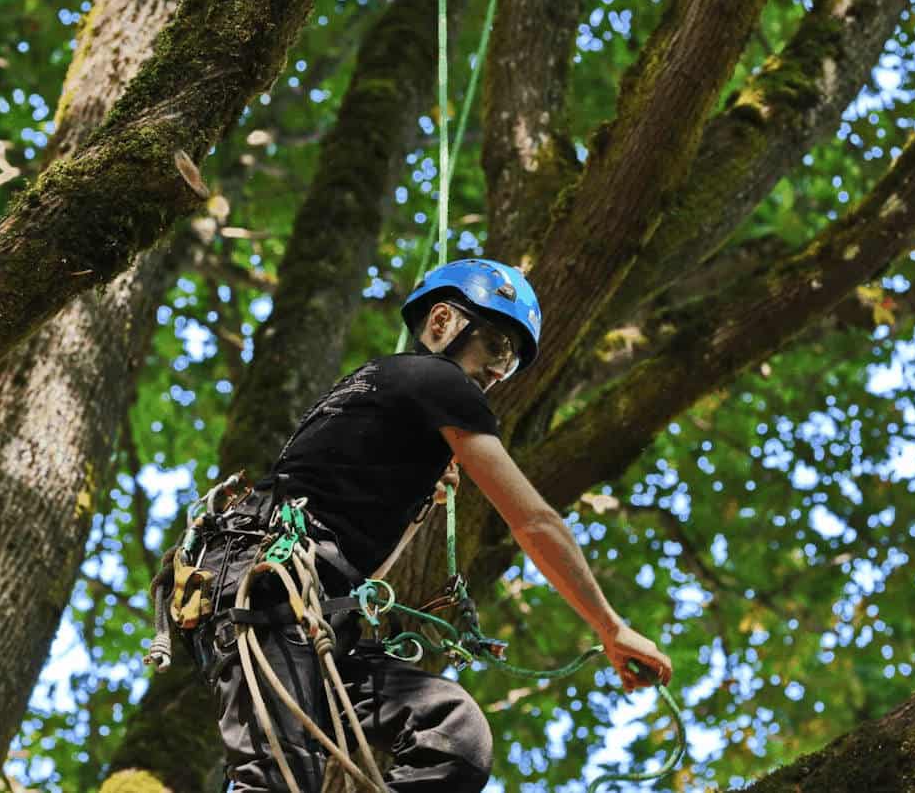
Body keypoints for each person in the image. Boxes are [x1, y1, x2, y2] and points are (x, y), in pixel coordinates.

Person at [191, 258, 672, 792]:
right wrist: (610, 627)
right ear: (442, 322)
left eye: (510, 361)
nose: (498, 371)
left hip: (314, 609)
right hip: (266, 591)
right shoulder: (438, 379)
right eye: (496, 346)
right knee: (277, 781)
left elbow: (362, 564)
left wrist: (415, 491)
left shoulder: (384, 390)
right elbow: (534, 521)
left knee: (454, 735)